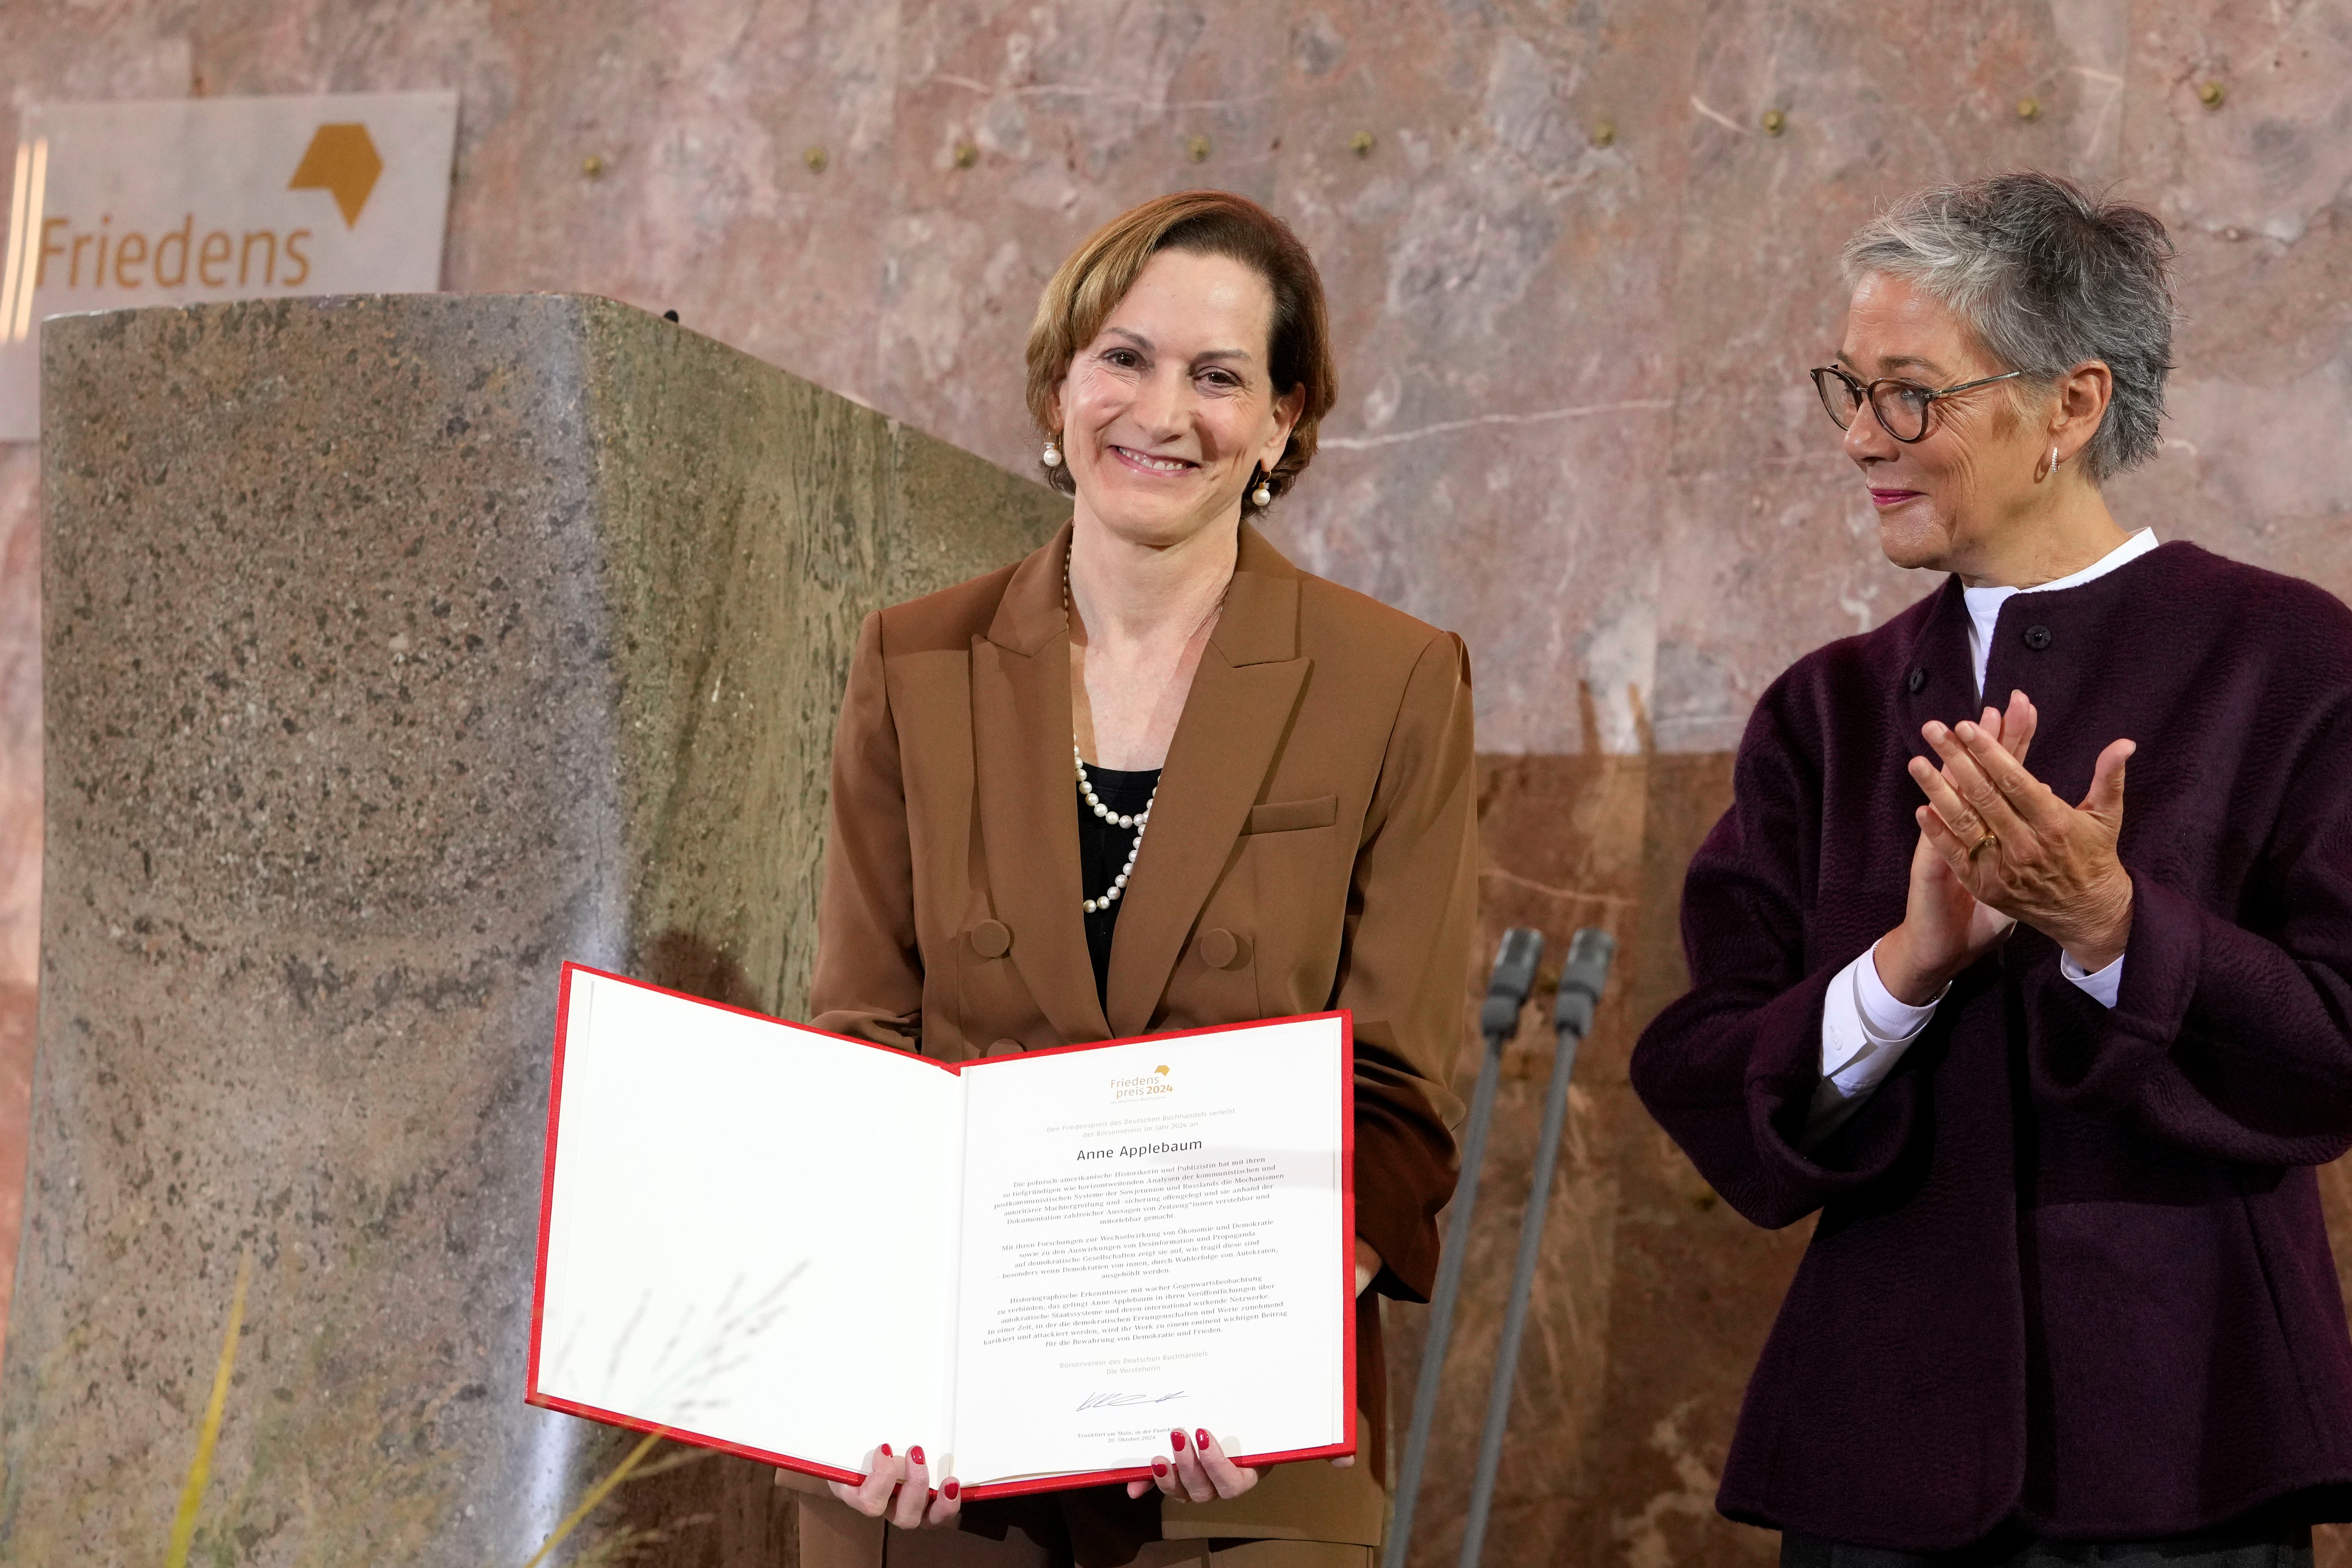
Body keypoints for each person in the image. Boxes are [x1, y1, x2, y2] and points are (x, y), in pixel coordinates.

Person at [1631, 171, 2352, 1563]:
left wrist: (2112, 926)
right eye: (1846, 389)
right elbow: (1704, 1064)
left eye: (1910, 394)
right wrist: (1902, 975)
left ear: (2070, 407)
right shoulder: (1821, 710)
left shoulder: (2294, 662)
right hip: (1875, 1450)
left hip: (2188, 1436)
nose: (1860, 438)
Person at [796, 190, 1478, 1568]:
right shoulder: (909, 661)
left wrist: (1253, 1336)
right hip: (938, 1451)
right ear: (1059, 386)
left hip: (1236, 1457)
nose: (1161, 411)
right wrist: (874, 1377)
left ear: (1284, 421)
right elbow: (863, 1042)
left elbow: (1400, 1090)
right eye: (1124, 357)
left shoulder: (1393, 679)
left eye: (1217, 375)